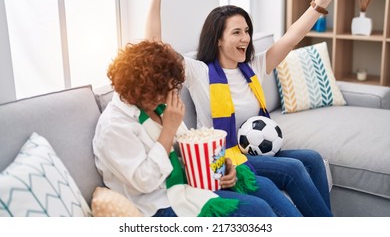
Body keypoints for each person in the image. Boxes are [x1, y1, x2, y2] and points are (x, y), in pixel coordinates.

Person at [146, 0, 338, 217]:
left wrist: (322, 0)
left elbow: (291, 39)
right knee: (293, 169)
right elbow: (153, 46)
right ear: (217, 39)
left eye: (247, 31)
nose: (245, 38)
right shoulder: (199, 72)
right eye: (236, 32)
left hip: (254, 151)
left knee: (311, 158)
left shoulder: (254, 67)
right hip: (225, 157)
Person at [92, 39, 305, 217]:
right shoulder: (114, 127)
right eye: (160, 91)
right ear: (139, 88)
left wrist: (222, 167)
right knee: (257, 209)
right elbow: (145, 182)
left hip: (188, 185)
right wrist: (168, 129)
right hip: (159, 203)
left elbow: (193, 152)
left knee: (262, 186)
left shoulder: (156, 106)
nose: (166, 96)